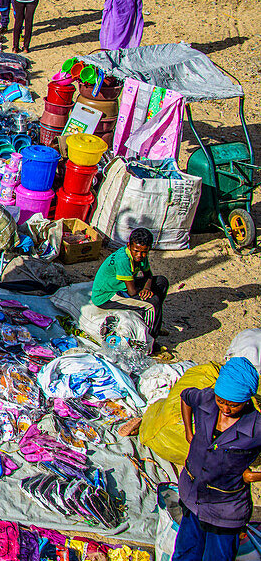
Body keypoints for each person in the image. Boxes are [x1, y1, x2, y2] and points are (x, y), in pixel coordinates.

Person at [173, 357, 261, 561]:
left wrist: (253, 476)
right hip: (193, 495)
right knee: (186, 552)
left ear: (247, 400)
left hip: (225, 508)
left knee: (217, 557)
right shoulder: (207, 399)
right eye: (221, 401)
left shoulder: (256, 427)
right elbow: (186, 397)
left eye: (233, 405)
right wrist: (189, 431)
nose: (226, 409)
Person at [91, 227, 169, 346]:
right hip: (108, 294)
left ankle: (152, 324)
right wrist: (144, 293)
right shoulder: (123, 259)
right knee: (152, 304)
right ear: (129, 246)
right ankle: (149, 341)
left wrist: (147, 289)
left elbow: (149, 275)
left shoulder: (140, 255)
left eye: (144, 252)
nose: (140, 255)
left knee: (161, 282)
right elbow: (132, 292)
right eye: (136, 251)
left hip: (123, 287)